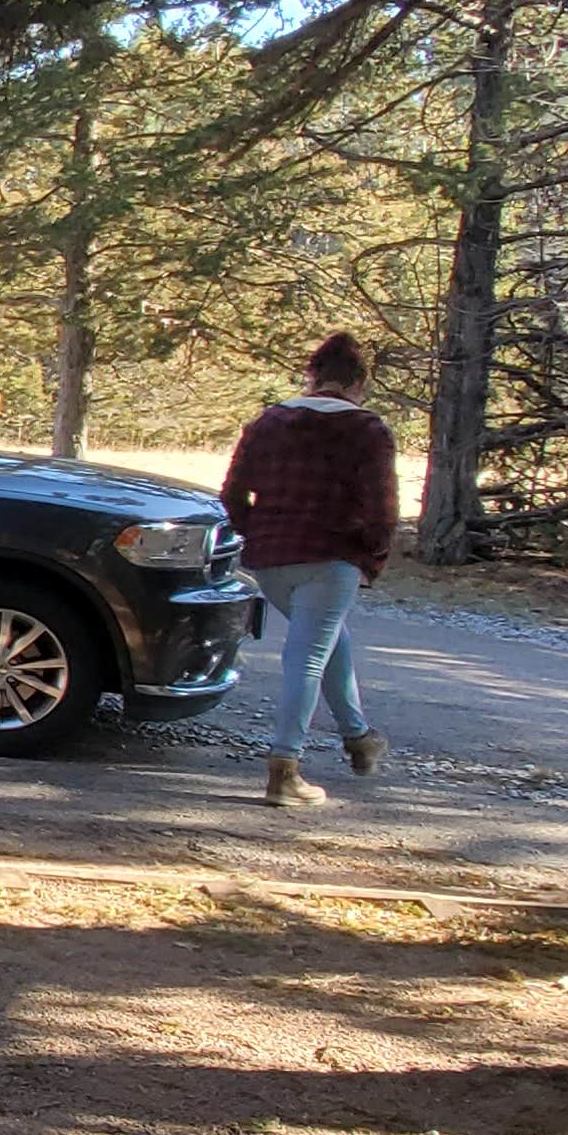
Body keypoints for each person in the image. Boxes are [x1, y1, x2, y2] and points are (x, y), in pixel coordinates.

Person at [218, 332, 400, 808]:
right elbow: (382, 508)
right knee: (307, 658)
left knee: (327, 641)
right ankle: (285, 768)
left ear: (312, 376)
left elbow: (233, 493)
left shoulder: (269, 422)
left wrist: (255, 531)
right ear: (359, 383)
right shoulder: (368, 430)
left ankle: (359, 738)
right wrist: (372, 553)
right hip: (331, 556)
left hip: (272, 556)